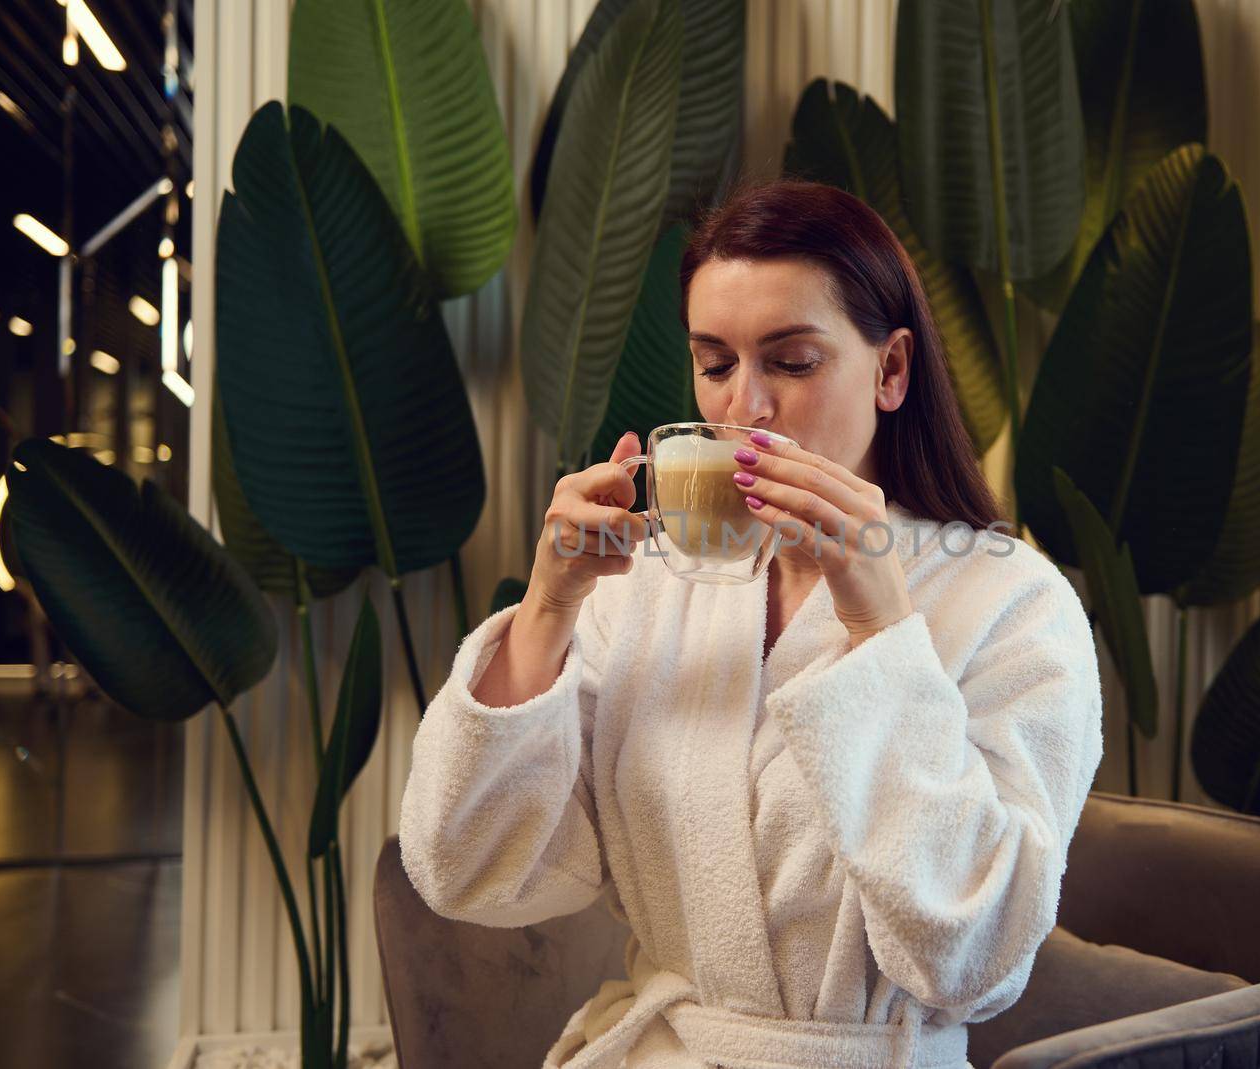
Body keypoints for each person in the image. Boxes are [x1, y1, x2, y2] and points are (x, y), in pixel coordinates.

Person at [398, 179, 1104, 1069]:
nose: (746, 409)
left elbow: (972, 959)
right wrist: (550, 605)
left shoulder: (1013, 605)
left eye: (793, 361)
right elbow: (462, 864)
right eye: (716, 363)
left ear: (890, 370)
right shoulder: (647, 588)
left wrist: (880, 623)